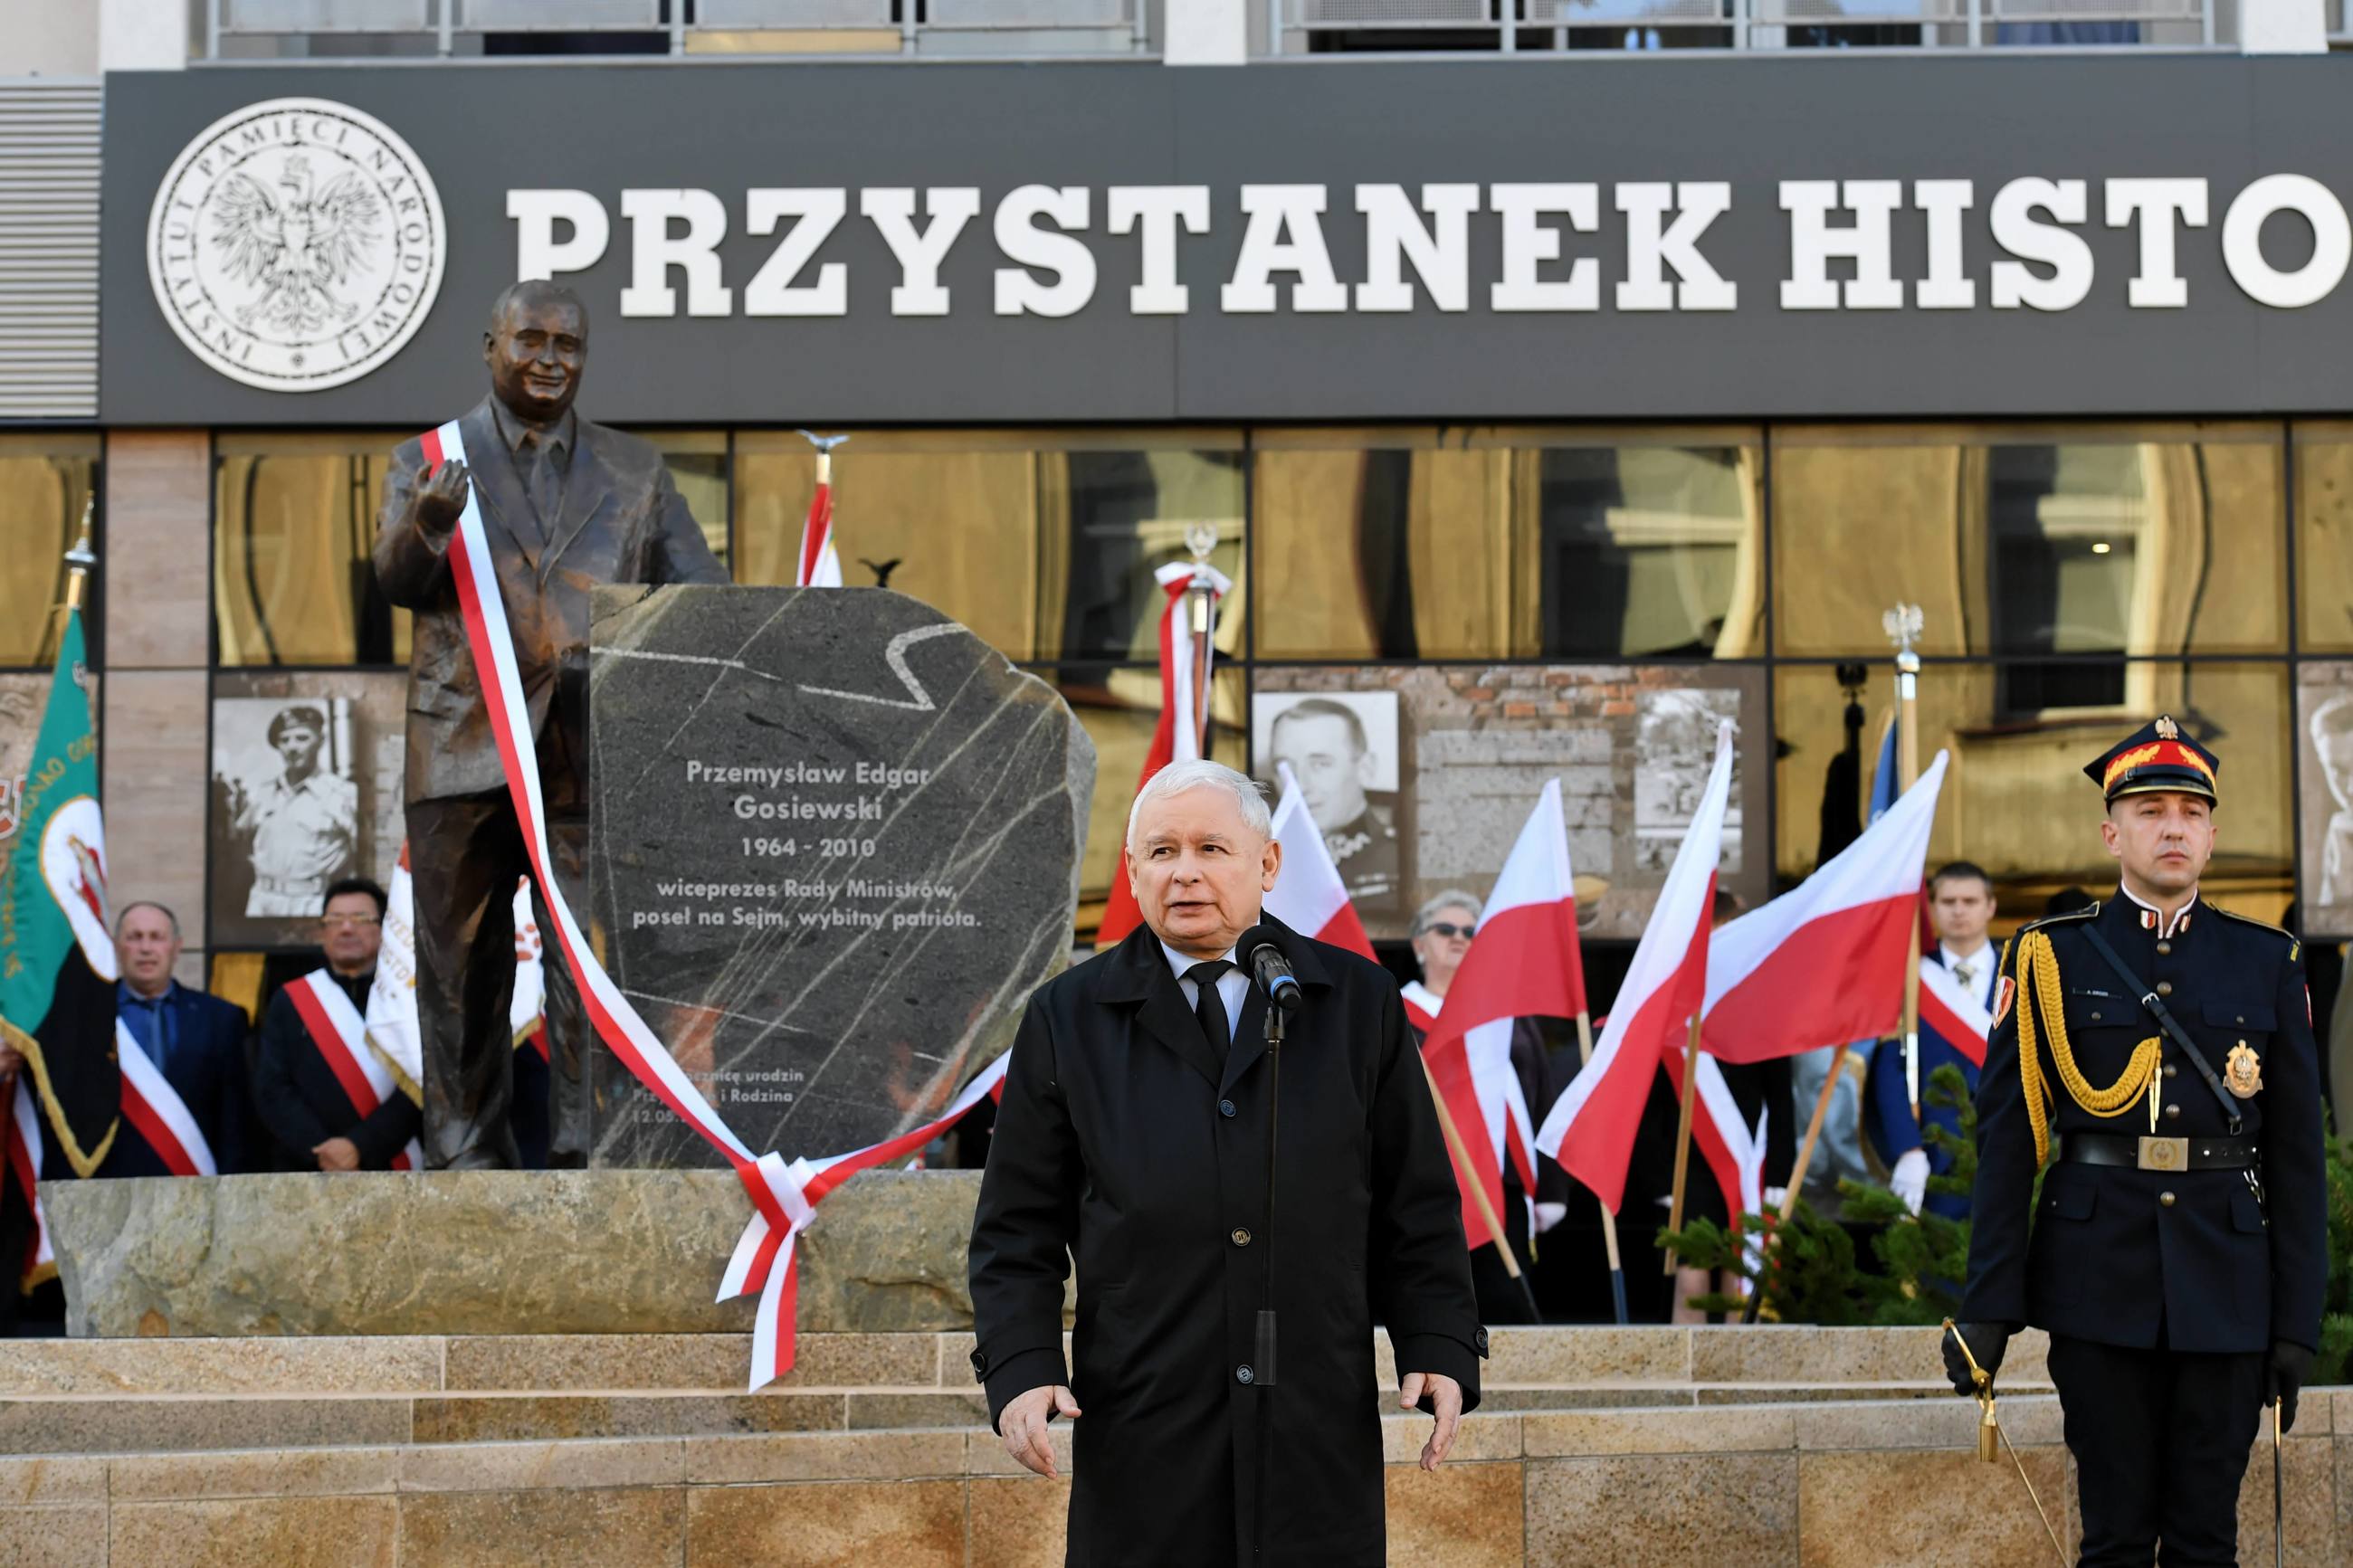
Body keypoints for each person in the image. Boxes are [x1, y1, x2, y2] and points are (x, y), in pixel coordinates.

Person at [969, 759, 1485, 1565]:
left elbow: (1414, 1200)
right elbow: (1015, 1230)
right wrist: (1024, 1366)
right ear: (1133, 871)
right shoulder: (1068, 1017)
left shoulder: (1354, 1002)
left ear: (1268, 865)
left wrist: (1438, 1341)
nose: (1186, 872)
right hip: (1147, 1422)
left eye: (1212, 847)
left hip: (1313, 1419)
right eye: (1162, 851)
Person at [1948, 717, 2325, 1566]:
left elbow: (2297, 1155)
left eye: (2191, 813)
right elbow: (2008, 1142)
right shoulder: (2048, 956)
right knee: (2113, 1537)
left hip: (2227, 1288)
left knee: (2205, 1539)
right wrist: (1988, 1309)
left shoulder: (2266, 960)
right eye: (2151, 810)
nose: (2173, 828)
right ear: (2112, 831)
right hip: (2096, 1281)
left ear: (2213, 834)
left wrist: (2296, 1320)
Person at [374, 280, 727, 1169]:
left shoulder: (634, 469)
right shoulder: (427, 456)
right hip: (461, 747)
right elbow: (395, 581)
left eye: (568, 345)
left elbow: (699, 591)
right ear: (489, 344)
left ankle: (589, 1142)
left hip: (586, 747)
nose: (548, 359)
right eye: (530, 340)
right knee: (460, 967)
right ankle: (463, 1150)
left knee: (591, 963)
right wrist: (428, 521)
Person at [1399, 889, 1570, 1326]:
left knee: (1506, 1308)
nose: (1459, 937)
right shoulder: (1394, 1015)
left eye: (1471, 932)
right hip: (1424, 1184)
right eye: (1445, 929)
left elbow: (1540, 1101)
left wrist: (1551, 1189)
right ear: (1420, 944)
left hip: (1501, 1185)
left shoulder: (1506, 1018)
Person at [252, 878, 420, 1173]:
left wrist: (361, 1145)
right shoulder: (290, 999)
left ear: (383, 929)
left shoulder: (411, 999)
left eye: (360, 919)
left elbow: (423, 1083)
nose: (346, 928)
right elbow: (273, 1088)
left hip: (395, 1162)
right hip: (311, 1168)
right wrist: (322, 1149)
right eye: (335, 919)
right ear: (322, 932)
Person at [1864, 861, 1996, 1220]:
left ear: (1990, 907)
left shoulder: (2023, 971)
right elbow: (1889, 1069)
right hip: (1934, 1161)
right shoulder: (1909, 976)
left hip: (2009, 1156)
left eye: (1970, 901)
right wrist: (1907, 1149)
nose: (1958, 910)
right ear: (1933, 908)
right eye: (1948, 901)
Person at [104, 902, 253, 1176]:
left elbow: (235, 1119)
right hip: (109, 1183)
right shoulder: (88, 1016)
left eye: (156, 937)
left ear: (176, 946)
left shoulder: (221, 1018)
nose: (146, 948)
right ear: (116, 945)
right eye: (135, 937)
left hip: (194, 1179)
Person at [227, 704, 358, 920]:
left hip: (312, 902)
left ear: (321, 742)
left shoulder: (343, 794)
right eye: (285, 740)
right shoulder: (263, 793)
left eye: (302, 738)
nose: (293, 747)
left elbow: (363, 854)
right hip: (261, 901)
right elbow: (242, 842)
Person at [1267, 698, 1399, 911]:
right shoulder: (1265, 865)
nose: (1300, 785)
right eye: (1285, 768)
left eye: (1320, 764)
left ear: (1366, 768)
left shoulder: (1397, 862)